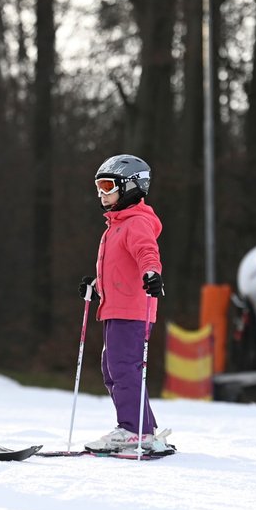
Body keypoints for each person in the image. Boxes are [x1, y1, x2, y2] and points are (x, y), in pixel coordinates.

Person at [78, 154, 172, 453]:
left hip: (132, 309)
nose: (101, 194)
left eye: (107, 186)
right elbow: (118, 268)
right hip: (115, 308)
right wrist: (95, 285)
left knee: (123, 367)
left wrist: (152, 273)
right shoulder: (115, 226)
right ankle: (143, 428)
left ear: (131, 186)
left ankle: (133, 429)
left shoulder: (136, 224)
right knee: (113, 369)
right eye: (98, 188)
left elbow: (147, 253)